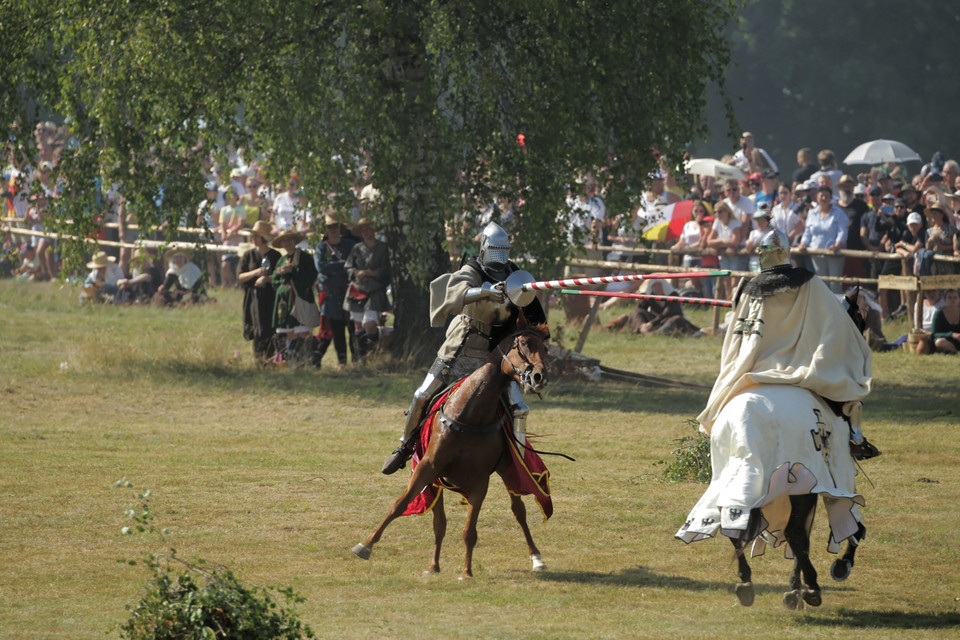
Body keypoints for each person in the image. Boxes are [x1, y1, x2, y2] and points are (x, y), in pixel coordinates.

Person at [381, 221, 547, 475]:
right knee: (421, 395)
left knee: (519, 408)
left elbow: (532, 312)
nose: (500, 256)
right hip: (462, 346)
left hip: (497, 354)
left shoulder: (515, 274)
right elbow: (456, 292)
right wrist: (485, 291)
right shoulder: (474, 268)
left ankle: (518, 462)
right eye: (496, 250)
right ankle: (404, 447)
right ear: (484, 247)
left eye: (505, 250)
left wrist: (526, 294)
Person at [699, 229, 878, 459]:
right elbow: (835, 319)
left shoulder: (749, 289)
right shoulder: (807, 282)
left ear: (763, 254)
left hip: (751, 367)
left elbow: (735, 340)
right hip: (797, 364)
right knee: (837, 385)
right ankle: (854, 434)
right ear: (786, 253)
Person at [313, 213, 358, 367]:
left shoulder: (350, 245)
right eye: (330, 227)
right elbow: (321, 268)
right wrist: (343, 265)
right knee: (337, 330)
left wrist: (336, 268)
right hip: (331, 295)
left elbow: (353, 266)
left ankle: (357, 362)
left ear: (340, 228)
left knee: (353, 329)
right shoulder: (321, 247)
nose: (333, 229)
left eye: (335, 226)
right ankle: (342, 363)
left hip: (350, 292)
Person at [343, 217, 391, 358]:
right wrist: (357, 273)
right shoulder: (357, 248)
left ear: (374, 230)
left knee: (370, 325)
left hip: (375, 290)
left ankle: (373, 354)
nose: (366, 232)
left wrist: (371, 273)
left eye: (368, 228)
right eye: (363, 229)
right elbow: (349, 267)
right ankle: (361, 359)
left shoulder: (383, 248)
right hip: (357, 290)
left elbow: (387, 269)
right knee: (358, 326)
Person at [271, 228, 320, 364]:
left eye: (290, 239)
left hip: (301, 298)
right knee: (290, 332)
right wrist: (281, 275)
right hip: (284, 300)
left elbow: (310, 277)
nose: (287, 243)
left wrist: (293, 272)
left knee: (304, 332)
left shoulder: (305, 258)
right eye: (284, 240)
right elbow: (274, 281)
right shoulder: (281, 260)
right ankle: (292, 362)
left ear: (294, 241)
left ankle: (308, 361)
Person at [238, 221, 281, 365]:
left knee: (270, 327)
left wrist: (267, 279)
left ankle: (271, 359)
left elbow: (279, 277)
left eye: (256, 236)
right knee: (256, 327)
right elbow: (240, 276)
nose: (253, 238)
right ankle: (259, 361)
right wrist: (255, 273)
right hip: (253, 297)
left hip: (270, 297)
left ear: (263, 237)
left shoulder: (275, 256)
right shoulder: (248, 255)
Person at [604, 280, 700, 336]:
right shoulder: (652, 295)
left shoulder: (673, 295)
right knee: (635, 311)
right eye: (653, 286)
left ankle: (658, 333)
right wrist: (642, 298)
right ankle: (641, 329)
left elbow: (667, 313)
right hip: (654, 321)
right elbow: (641, 308)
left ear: (663, 286)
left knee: (677, 319)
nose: (656, 288)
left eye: (658, 285)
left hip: (667, 320)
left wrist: (651, 323)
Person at [797, 186, 847, 293]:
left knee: (835, 284)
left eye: (826, 196)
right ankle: (823, 309)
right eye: (821, 196)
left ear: (830, 198)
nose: (824, 198)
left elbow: (842, 232)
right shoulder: (812, 213)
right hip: (817, 253)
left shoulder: (838, 213)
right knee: (822, 284)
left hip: (834, 254)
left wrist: (837, 245)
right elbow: (808, 232)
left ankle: (836, 309)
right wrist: (803, 243)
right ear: (817, 197)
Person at [922, 289, 960, 355]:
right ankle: (956, 352)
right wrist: (951, 334)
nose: (952, 300)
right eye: (949, 297)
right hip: (947, 340)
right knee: (939, 342)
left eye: (955, 297)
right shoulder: (939, 313)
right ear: (945, 300)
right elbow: (935, 333)